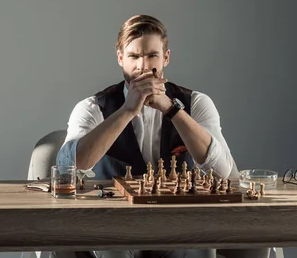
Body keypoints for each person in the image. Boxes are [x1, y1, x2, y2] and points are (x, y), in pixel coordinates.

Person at [57, 14, 269, 258]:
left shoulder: (197, 103)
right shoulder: (92, 107)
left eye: (152, 56)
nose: (143, 66)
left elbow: (225, 172)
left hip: (179, 224)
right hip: (112, 225)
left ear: (166, 57)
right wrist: (127, 111)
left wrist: (172, 110)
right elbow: (66, 167)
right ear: (120, 58)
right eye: (134, 56)